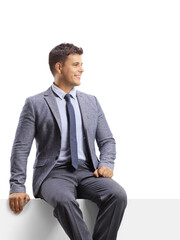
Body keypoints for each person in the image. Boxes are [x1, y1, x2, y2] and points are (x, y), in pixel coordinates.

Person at [9, 43, 127, 240]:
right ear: (59, 67)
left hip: (89, 172)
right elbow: (21, 148)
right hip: (53, 175)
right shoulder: (36, 103)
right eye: (76, 64)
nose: (82, 69)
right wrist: (17, 187)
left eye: (81, 64)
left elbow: (107, 140)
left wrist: (106, 163)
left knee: (117, 195)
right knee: (64, 200)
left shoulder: (91, 102)